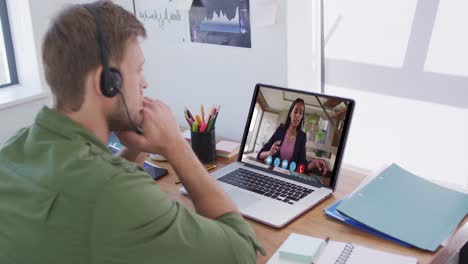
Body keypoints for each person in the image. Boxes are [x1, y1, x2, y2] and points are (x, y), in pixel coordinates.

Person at [0, 1, 263, 263]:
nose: (145, 82)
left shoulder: (13, 150)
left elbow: (90, 186)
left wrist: (137, 146)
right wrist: (175, 146)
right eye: (138, 70)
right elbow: (243, 251)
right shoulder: (115, 194)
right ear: (107, 83)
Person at [257, 98, 328, 175]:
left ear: (301, 117)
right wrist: (269, 153)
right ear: (290, 114)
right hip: (272, 173)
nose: (297, 115)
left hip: (289, 177)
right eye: (295, 111)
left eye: (301, 113)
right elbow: (260, 155)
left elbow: (302, 164)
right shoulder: (280, 131)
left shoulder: (302, 137)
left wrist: (314, 163)